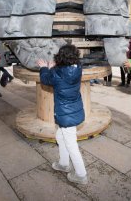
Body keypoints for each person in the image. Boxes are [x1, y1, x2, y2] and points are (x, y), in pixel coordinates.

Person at [37, 44, 88, 185]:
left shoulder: (57, 73)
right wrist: (55, 67)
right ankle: (64, 164)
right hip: (74, 110)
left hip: (65, 114)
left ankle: (81, 175)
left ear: (60, 58)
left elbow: (45, 79)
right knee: (60, 136)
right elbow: (63, 73)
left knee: (71, 144)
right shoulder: (78, 68)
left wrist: (44, 67)